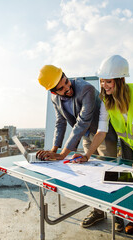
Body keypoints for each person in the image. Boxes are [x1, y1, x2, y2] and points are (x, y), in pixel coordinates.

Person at [72, 55, 133, 239]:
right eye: (102, 81)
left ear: (120, 79)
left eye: (108, 81)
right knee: (129, 181)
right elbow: (101, 131)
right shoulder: (105, 99)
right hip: (127, 144)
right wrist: (87, 155)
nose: (104, 85)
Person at [36, 64, 118, 228]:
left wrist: (63, 154)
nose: (68, 88)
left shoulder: (85, 89)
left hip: (104, 134)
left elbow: (81, 123)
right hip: (87, 135)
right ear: (54, 91)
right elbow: (60, 123)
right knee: (91, 174)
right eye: (62, 88)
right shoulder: (54, 98)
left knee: (109, 175)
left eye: (66, 82)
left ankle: (118, 216)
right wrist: (53, 151)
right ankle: (98, 212)